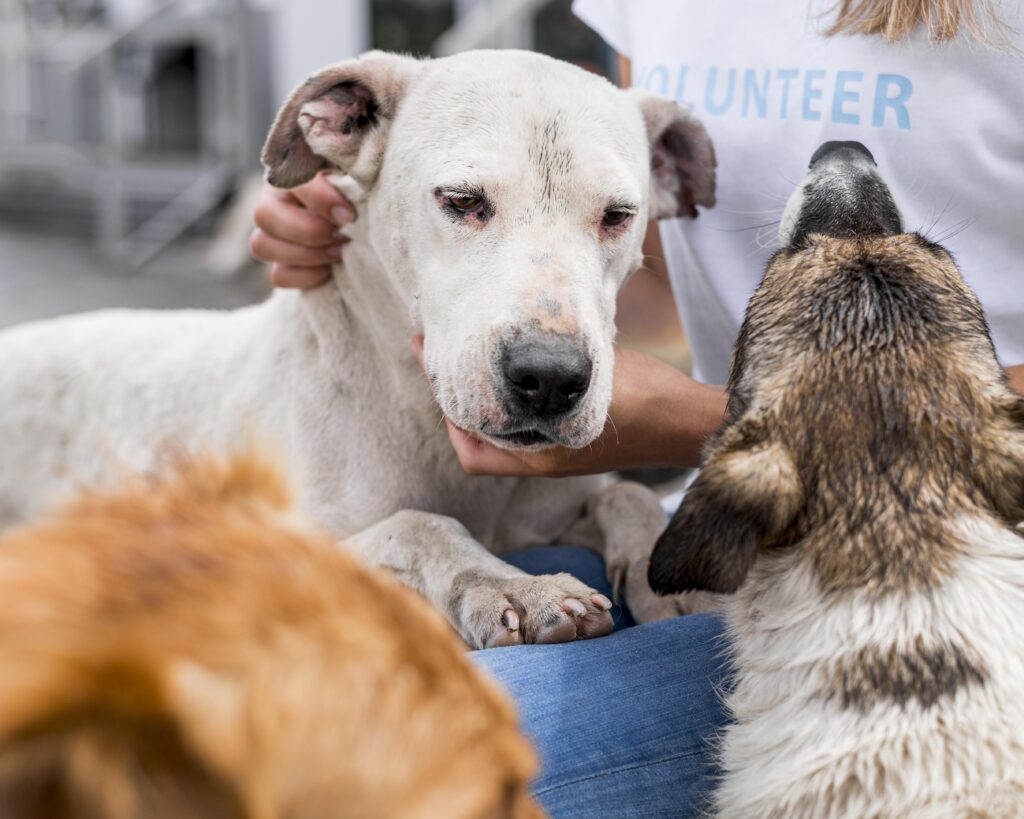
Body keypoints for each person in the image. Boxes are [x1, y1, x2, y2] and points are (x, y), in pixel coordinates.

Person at [249, 1, 1024, 814]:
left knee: (405, 758)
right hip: (730, 523)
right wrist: (376, 214)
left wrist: (700, 420)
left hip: (960, 558)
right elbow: (628, 261)